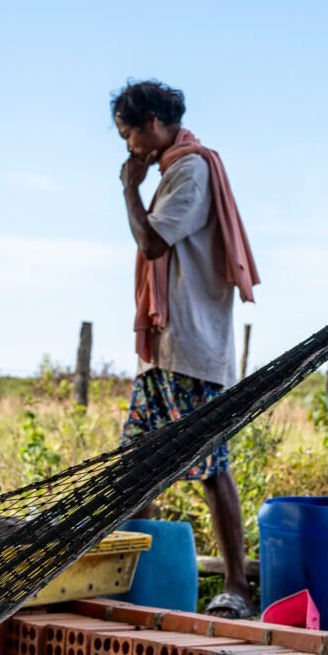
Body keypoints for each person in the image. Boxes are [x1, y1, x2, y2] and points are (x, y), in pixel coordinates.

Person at [112, 79, 260, 616]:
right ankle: (130, 577)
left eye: (129, 136)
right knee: (137, 465)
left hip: (192, 350)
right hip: (162, 352)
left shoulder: (191, 171)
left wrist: (129, 188)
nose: (129, 150)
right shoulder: (175, 171)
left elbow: (152, 241)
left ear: (153, 123)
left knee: (211, 467)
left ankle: (237, 588)